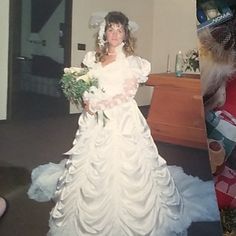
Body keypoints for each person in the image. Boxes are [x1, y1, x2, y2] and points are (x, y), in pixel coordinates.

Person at [28, 11, 220, 236]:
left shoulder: (132, 62)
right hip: (94, 120)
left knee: (126, 164)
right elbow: (87, 85)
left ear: (126, 34)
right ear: (104, 33)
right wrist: (87, 101)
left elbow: (128, 93)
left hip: (121, 118)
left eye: (120, 30)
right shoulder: (93, 58)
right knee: (91, 164)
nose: (115, 34)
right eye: (111, 29)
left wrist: (101, 105)